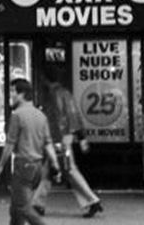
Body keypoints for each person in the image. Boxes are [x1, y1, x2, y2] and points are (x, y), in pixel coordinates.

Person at [33, 66, 102, 218]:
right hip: (65, 137)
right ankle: (38, 203)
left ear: (46, 79)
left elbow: (56, 119)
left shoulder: (53, 95)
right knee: (52, 170)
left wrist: (55, 141)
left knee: (68, 169)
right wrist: (81, 136)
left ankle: (92, 200)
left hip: (58, 138)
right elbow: (74, 115)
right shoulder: (65, 93)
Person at [0, 78, 61, 225]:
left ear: (22, 94)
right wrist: (56, 164)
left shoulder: (17, 115)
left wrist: (0, 165)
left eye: (13, 91)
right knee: (15, 208)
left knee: (23, 207)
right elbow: (48, 143)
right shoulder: (41, 116)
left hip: (23, 165)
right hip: (37, 167)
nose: (11, 95)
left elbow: (10, 144)